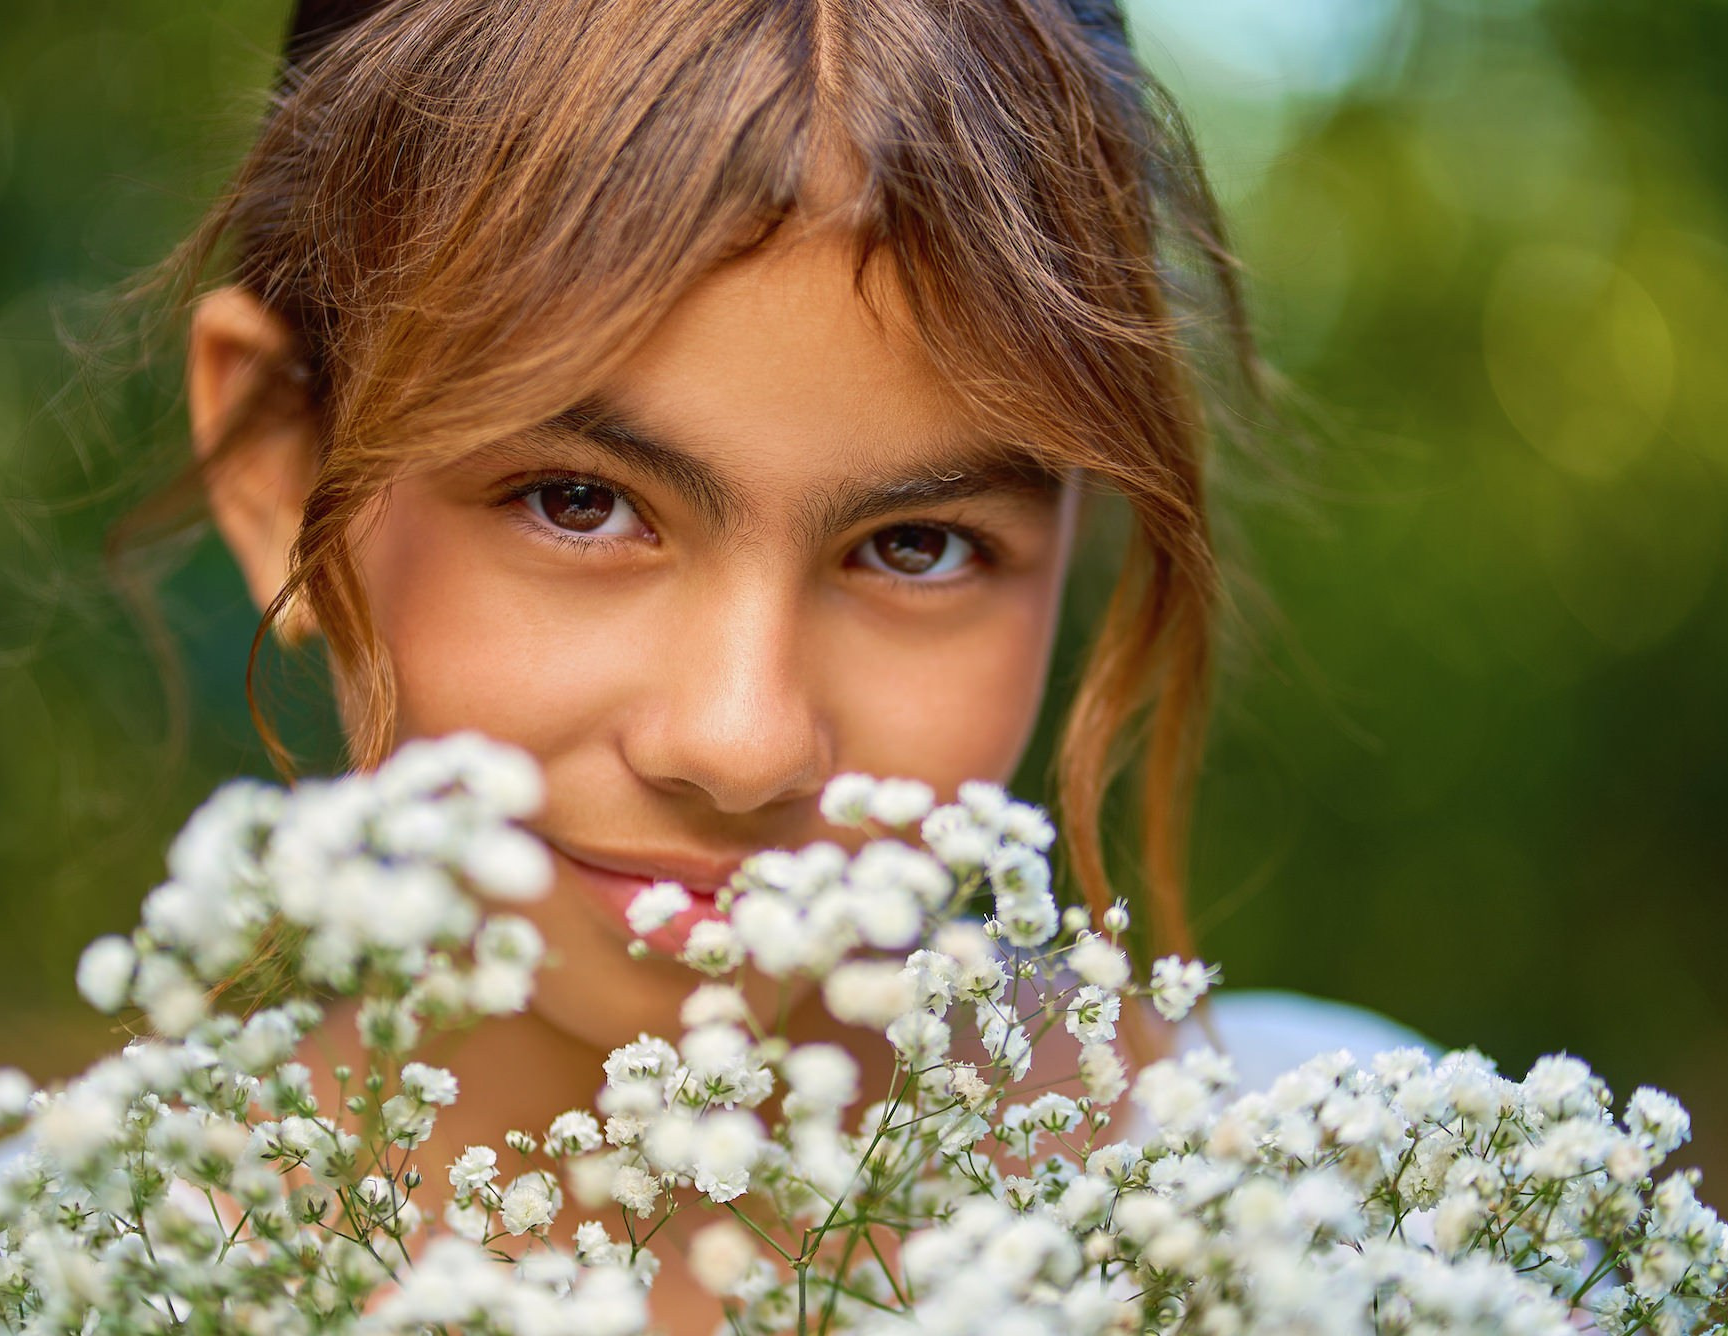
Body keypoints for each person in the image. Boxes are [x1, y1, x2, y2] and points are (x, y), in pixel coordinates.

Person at [156, 0, 1426, 1323]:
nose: (741, 740)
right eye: (578, 503)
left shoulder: (1365, 1213)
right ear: (279, 472)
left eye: (919, 544)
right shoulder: (47, 1282)